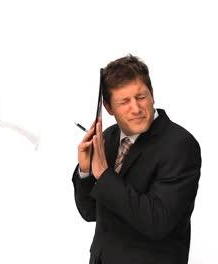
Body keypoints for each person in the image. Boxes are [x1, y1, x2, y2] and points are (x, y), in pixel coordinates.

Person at [73, 54, 201, 264]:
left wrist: (104, 175)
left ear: (151, 94)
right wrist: (86, 171)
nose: (136, 108)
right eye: (124, 101)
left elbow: (157, 222)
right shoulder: (108, 138)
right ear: (109, 108)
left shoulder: (180, 145)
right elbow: (90, 212)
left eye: (141, 97)